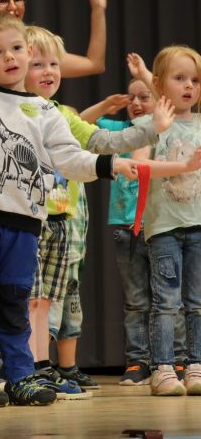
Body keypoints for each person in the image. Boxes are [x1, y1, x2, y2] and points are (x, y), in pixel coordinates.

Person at [0, 0, 139, 409]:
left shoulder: (44, 111)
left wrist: (109, 165)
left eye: (16, 48)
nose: (10, 57)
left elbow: (69, 158)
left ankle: (20, 374)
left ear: (28, 51)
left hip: (25, 224)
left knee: (15, 300)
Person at [21, 26, 168, 399]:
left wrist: (152, 129)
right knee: (28, 297)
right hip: (24, 218)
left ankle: (41, 367)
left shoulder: (60, 114)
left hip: (59, 219)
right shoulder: (11, 108)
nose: (49, 71)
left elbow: (102, 140)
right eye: (38, 64)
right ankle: (21, 369)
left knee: (46, 300)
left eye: (54, 64)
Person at [81, 57, 188, 385]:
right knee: (136, 300)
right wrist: (105, 105)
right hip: (126, 228)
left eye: (145, 96)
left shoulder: (170, 131)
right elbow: (80, 122)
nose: (138, 103)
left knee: (170, 297)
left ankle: (176, 359)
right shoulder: (121, 131)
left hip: (163, 226)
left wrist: (147, 78)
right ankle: (137, 361)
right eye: (133, 98)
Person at [135, 46, 201, 396]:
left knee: (197, 302)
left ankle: (196, 365)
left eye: (195, 80)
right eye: (180, 78)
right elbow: (137, 165)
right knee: (166, 301)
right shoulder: (151, 126)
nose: (189, 85)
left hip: (198, 226)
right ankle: (162, 368)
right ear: (160, 84)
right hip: (164, 227)